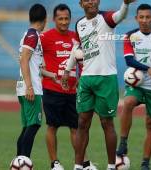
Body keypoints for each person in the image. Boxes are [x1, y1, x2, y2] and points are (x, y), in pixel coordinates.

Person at [62, 0, 136, 169]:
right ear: (81, 3)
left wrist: (125, 4)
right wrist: (68, 70)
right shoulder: (79, 24)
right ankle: (78, 166)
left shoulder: (106, 18)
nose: (91, 2)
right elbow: (77, 50)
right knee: (82, 122)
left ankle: (111, 166)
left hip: (106, 78)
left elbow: (120, 15)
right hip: (86, 78)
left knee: (106, 123)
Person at [40, 4, 96, 170]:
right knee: (52, 126)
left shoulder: (75, 37)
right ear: (54, 19)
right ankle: (55, 163)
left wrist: (82, 77)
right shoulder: (45, 37)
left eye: (66, 19)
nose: (64, 22)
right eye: (60, 19)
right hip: (52, 89)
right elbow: (30, 56)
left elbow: (84, 60)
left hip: (73, 91)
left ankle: (83, 163)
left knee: (76, 128)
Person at [116, 4, 151, 170]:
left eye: (148, 17)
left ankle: (145, 163)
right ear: (136, 18)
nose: (145, 20)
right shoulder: (130, 36)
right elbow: (129, 60)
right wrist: (149, 69)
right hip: (137, 83)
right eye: (142, 17)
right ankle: (123, 142)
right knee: (128, 102)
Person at [15, 3, 46, 159]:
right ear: (44, 20)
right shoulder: (33, 36)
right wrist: (29, 87)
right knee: (34, 125)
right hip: (30, 87)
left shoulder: (28, 35)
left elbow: (31, 63)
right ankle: (23, 161)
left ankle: (19, 161)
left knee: (28, 125)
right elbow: (24, 60)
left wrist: (50, 75)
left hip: (24, 85)